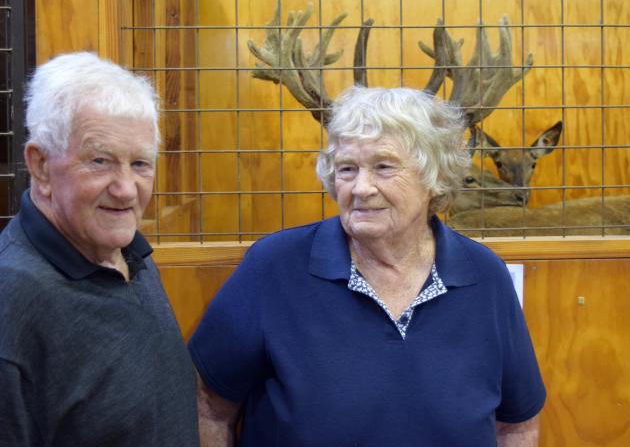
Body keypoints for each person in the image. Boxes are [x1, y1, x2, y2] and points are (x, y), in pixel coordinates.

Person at [189, 86, 546, 446]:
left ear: (433, 175)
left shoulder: (485, 276)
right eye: (347, 168)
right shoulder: (273, 267)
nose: (361, 188)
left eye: (383, 167)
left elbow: (517, 425)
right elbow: (209, 405)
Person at [0, 52, 199, 446]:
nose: (126, 189)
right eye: (100, 161)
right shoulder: (13, 301)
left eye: (140, 164)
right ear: (40, 166)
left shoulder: (130, 256)